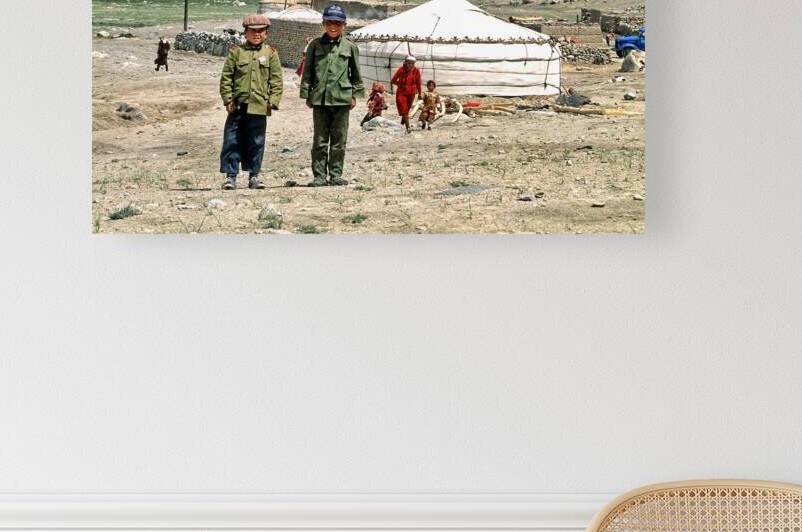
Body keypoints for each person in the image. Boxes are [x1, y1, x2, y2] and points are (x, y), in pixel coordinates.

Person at [299, 3, 365, 187]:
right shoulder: (314, 45)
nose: (333, 26)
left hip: (342, 99)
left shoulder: (350, 47)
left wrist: (355, 95)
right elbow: (308, 72)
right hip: (320, 98)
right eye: (329, 23)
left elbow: (356, 73)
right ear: (323, 24)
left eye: (337, 23)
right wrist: (307, 94)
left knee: (339, 140)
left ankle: (336, 175)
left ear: (344, 25)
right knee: (320, 140)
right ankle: (319, 176)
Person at [218, 14, 283, 190]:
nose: (257, 34)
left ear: (266, 33)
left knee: (256, 141)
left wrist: (273, 101)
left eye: (261, 31)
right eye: (252, 31)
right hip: (237, 105)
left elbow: (276, 80)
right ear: (245, 32)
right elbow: (226, 78)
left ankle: (254, 176)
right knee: (232, 139)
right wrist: (227, 99)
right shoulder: (236, 52)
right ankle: (231, 177)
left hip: (259, 106)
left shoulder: (270, 53)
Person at [390, 55, 422, 134]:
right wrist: (400, 84)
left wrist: (420, 93)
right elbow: (393, 80)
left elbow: (418, 82)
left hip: (412, 93)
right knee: (404, 109)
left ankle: (401, 125)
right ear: (405, 63)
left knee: (407, 110)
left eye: (412, 63)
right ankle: (408, 128)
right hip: (402, 93)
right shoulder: (401, 70)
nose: (410, 65)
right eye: (409, 63)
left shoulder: (416, 71)